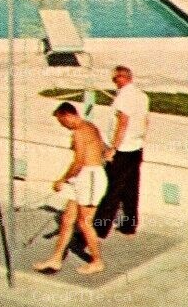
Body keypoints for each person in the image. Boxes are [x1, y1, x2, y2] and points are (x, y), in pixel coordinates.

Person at [69, 65, 150, 258]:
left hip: (122, 150)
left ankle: (99, 229)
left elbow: (122, 123)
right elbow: (146, 121)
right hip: (136, 147)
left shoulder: (124, 97)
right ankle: (129, 225)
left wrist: (113, 148)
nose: (113, 84)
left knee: (111, 191)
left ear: (121, 78)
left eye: (114, 80)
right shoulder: (142, 95)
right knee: (131, 189)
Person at [35, 102, 107, 275]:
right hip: (83, 177)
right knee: (67, 220)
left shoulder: (80, 132)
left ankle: (97, 261)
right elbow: (103, 148)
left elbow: (79, 162)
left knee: (84, 222)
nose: (63, 126)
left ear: (67, 115)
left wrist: (62, 179)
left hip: (90, 177)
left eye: (62, 122)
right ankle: (56, 259)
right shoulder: (90, 126)